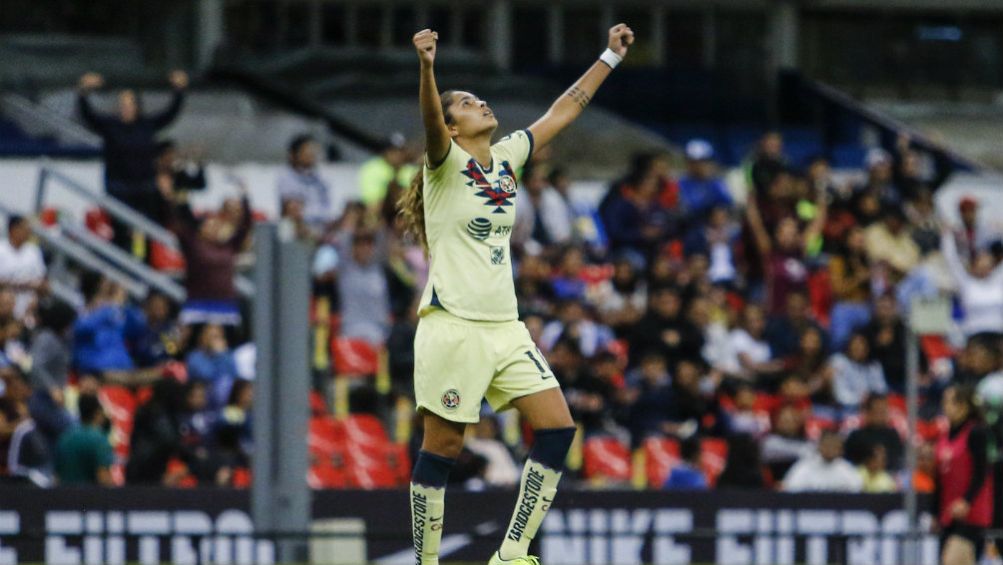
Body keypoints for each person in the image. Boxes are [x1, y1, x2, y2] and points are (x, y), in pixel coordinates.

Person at [398, 23, 634, 565]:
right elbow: (431, 121)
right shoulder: (444, 165)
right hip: (452, 324)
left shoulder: (507, 158)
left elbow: (564, 111)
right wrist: (428, 69)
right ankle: (426, 561)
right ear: (455, 128)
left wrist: (609, 57)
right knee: (445, 448)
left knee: (557, 429)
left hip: (505, 327)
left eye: (476, 97)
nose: (478, 102)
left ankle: (512, 552)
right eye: (466, 103)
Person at [77, 71, 189, 256]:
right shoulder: (110, 126)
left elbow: (170, 114)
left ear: (137, 106)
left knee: (147, 233)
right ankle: (120, 270)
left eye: (130, 104)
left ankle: (146, 270)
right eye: (122, 104)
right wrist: (83, 92)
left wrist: (179, 91)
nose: (126, 108)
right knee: (120, 234)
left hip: (144, 188)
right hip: (118, 188)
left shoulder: (146, 125)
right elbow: (88, 115)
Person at [162, 182, 252, 326]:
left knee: (227, 344)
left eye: (215, 225)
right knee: (187, 342)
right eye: (208, 225)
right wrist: (171, 200)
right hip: (197, 304)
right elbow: (176, 224)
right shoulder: (192, 244)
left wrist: (245, 197)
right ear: (200, 230)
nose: (213, 227)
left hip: (225, 305)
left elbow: (245, 226)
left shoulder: (228, 246)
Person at [935, 385, 992, 565]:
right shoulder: (945, 435)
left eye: (949, 401)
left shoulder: (976, 433)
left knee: (951, 560)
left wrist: (967, 501)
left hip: (970, 513)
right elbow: (940, 477)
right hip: (948, 513)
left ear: (963, 406)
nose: (944, 406)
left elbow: (982, 472)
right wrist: (935, 512)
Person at [27, 299, 77, 447]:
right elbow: (36, 366)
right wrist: (52, 388)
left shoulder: (63, 340)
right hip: (42, 398)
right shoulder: (46, 338)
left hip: (56, 400)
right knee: (72, 429)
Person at [941, 227, 1003, 340]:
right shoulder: (966, 283)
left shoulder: (998, 281)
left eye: (988, 266)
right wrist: (947, 237)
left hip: (998, 334)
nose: (985, 269)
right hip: (974, 334)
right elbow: (951, 261)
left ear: (993, 267)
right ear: (974, 267)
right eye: (981, 265)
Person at [277, 134, 334, 233]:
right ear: (294, 154)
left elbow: (327, 207)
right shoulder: (286, 179)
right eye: (307, 151)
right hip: (300, 231)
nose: (312, 155)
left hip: (322, 229)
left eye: (313, 151)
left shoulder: (320, 180)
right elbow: (293, 211)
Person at [54, 394, 114, 486]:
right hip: (89, 497)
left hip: (65, 496)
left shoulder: (65, 437)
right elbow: (103, 476)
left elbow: (56, 477)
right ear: (97, 413)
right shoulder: (99, 439)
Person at [782, 429, 862, 492]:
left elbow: (856, 490)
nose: (830, 449)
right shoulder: (804, 466)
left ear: (841, 450)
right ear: (819, 446)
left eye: (835, 446)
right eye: (827, 445)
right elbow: (792, 489)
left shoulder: (847, 470)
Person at [0, 215, 46, 320]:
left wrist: (37, 295)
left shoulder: (34, 251)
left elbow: (42, 281)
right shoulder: (1, 249)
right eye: (24, 228)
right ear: (13, 229)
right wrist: (20, 284)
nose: (28, 231)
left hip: (26, 313)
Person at [844, 394, 904, 471]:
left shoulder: (893, 435)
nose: (882, 415)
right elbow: (848, 463)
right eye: (878, 411)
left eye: (884, 411)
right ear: (868, 413)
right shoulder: (855, 436)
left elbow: (897, 461)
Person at [830, 332, 887, 410]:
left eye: (862, 346)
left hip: (870, 407)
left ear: (867, 348)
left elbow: (881, 390)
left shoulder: (874, 366)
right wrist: (861, 399)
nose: (859, 349)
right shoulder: (839, 362)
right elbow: (840, 395)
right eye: (855, 346)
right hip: (846, 407)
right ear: (849, 346)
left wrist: (870, 399)